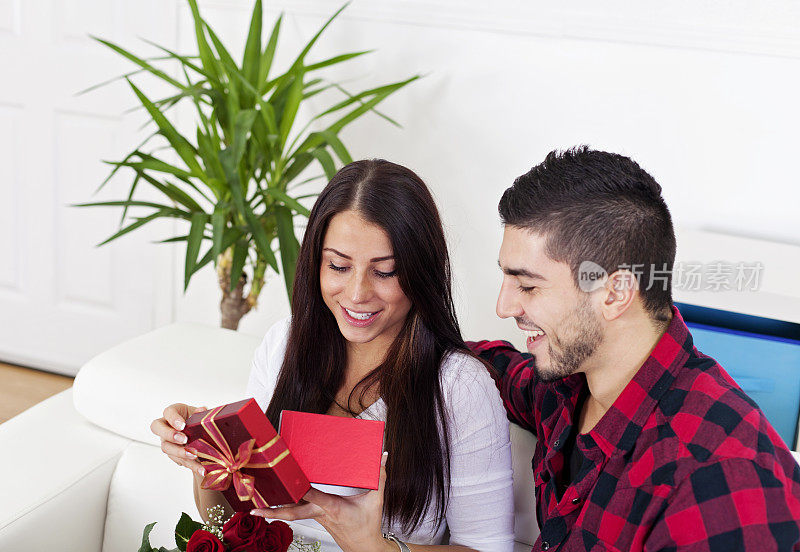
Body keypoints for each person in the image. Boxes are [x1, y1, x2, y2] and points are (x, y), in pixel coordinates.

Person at [151, 159, 515, 552]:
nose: (357, 293)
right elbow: (235, 522)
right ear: (316, 263)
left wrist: (371, 546)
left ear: (421, 273)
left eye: (386, 271)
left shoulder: (459, 387)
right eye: (339, 266)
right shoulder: (283, 345)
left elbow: (489, 548)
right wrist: (206, 457)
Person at [468, 146, 800, 551]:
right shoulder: (569, 384)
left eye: (529, 286)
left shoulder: (719, 480)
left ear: (615, 293)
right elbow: (496, 369)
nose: (504, 307)